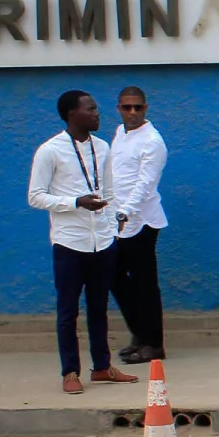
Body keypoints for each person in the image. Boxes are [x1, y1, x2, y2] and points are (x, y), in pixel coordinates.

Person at [27, 90, 139, 394]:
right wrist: (75, 202)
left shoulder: (102, 147)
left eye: (96, 108)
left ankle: (102, 367)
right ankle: (70, 372)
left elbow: (110, 191)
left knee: (99, 308)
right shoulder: (50, 150)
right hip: (69, 243)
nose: (97, 113)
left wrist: (113, 225)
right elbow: (35, 197)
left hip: (102, 242)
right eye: (90, 109)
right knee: (68, 311)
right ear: (71, 114)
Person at [109, 85, 169, 364]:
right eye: (127, 107)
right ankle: (140, 334)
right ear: (119, 109)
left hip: (142, 222)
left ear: (146, 108)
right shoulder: (120, 133)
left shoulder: (153, 141)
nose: (132, 112)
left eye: (138, 107)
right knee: (114, 275)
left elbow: (145, 183)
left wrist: (125, 212)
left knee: (145, 284)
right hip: (119, 221)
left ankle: (154, 344)